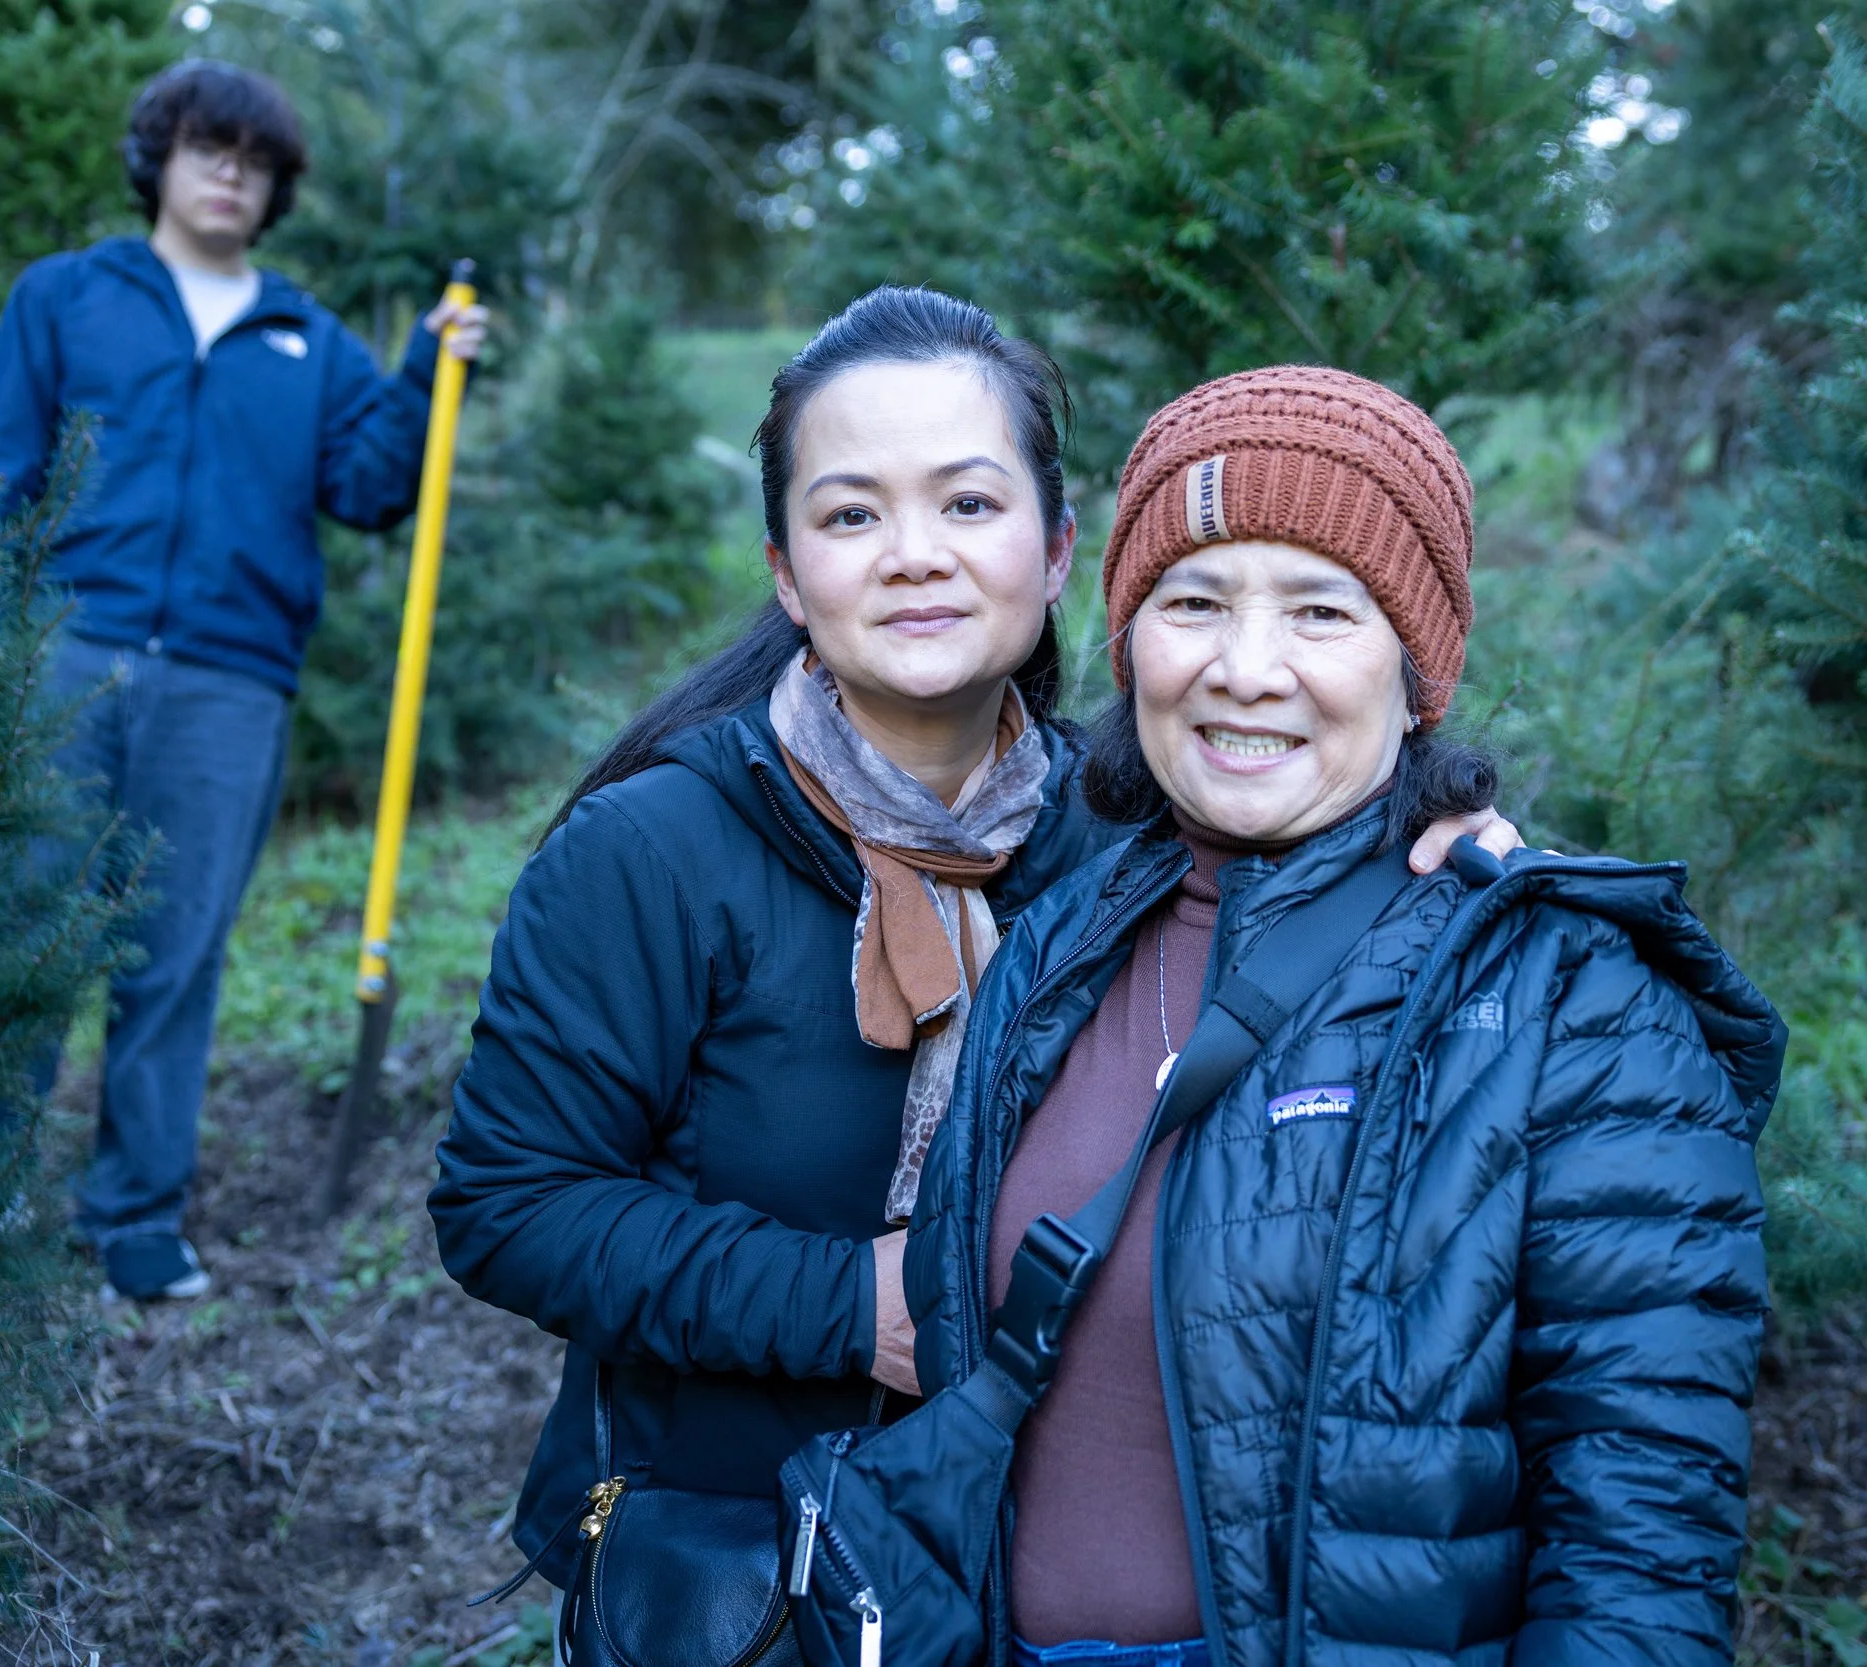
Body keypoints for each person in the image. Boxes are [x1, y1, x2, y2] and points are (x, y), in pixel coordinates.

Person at [426, 290, 1517, 1615]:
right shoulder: (653, 851)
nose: (913, 555)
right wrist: (855, 1300)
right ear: (785, 568)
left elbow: (1320, 789)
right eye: (850, 513)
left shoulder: (1127, 839)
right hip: (740, 1566)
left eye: (968, 503)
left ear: (1059, 551)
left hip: (1025, 1565)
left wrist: (1435, 812)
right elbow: (510, 1204)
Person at [907, 366, 1787, 1665]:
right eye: (1192, 600)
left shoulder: (1575, 1008)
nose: (1245, 668)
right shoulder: (1059, 949)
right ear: (1128, 634)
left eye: (1322, 608)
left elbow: (1639, 1560)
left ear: (1415, 662)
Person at [0, 59, 489, 1301]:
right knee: (15, 935)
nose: (231, 172)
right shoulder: (67, 298)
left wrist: (420, 375)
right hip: (65, 662)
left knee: (173, 951)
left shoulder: (306, 337)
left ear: (276, 186)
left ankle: (134, 1216)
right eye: (208, 147)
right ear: (161, 159)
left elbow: (368, 487)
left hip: (231, 685)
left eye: (256, 160)